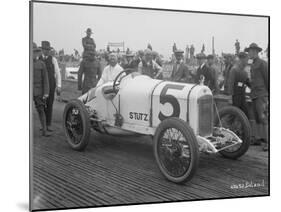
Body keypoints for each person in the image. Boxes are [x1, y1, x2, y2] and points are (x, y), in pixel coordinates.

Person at [245, 43, 268, 151]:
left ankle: (268, 142)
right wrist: (248, 82)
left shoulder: (263, 64)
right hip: (254, 94)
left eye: (250, 51)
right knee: (257, 118)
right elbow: (254, 82)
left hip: (261, 95)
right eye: (248, 51)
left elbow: (268, 79)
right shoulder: (253, 65)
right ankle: (258, 139)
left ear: (255, 52)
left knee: (263, 118)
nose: (249, 53)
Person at [39, 41, 62, 132]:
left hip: (51, 85)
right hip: (40, 86)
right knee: (41, 105)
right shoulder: (37, 59)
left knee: (49, 104)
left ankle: (48, 124)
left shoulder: (53, 59)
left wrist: (59, 86)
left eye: (48, 50)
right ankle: (43, 124)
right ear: (42, 49)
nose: (47, 51)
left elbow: (58, 73)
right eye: (45, 49)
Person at [33, 43, 50, 137]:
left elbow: (46, 80)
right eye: (33, 52)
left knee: (41, 110)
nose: (35, 54)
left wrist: (46, 93)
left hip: (38, 91)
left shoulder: (41, 64)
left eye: (36, 52)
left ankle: (44, 130)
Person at [228, 52, 250, 117]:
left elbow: (248, 83)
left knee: (246, 114)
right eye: (246, 60)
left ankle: (243, 127)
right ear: (242, 59)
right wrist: (230, 98)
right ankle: (227, 126)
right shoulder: (234, 70)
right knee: (233, 116)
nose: (247, 62)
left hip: (242, 96)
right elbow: (231, 84)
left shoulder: (245, 72)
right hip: (235, 97)